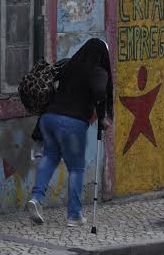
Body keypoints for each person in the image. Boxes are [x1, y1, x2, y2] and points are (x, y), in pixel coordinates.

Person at [27, 38, 113, 227]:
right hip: (72, 123)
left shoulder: (69, 66)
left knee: (50, 158)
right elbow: (99, 91)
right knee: (76, 168)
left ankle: (36, 198)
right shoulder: (98, 71)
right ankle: (74, 215)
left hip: (48, 119)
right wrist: (102, 116)